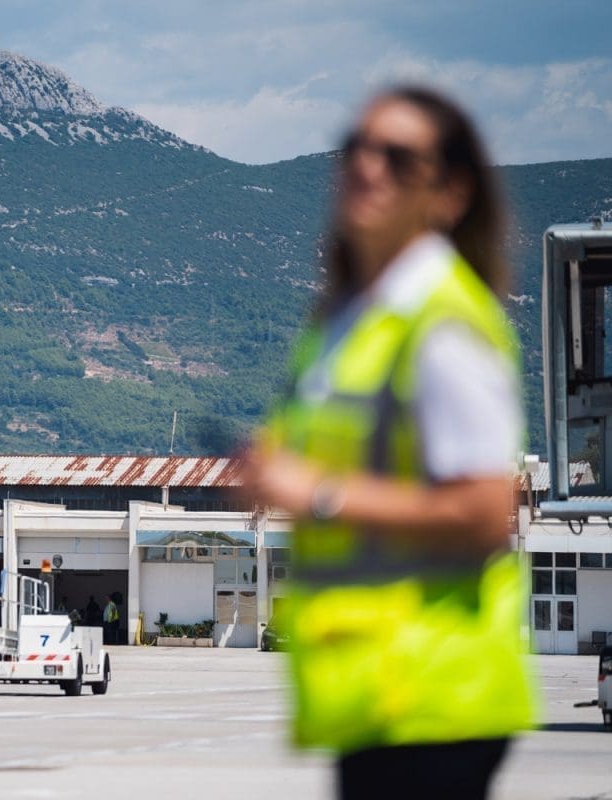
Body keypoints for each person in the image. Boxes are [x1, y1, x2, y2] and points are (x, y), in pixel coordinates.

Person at [243, 85, 537, 800]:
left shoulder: (440, 321)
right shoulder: (347, 320)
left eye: (399, 157)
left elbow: (481, 512)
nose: (368, 167)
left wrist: (316, 493)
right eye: (357, 147)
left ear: (449, 192)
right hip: (376, 695)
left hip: (433, 692)